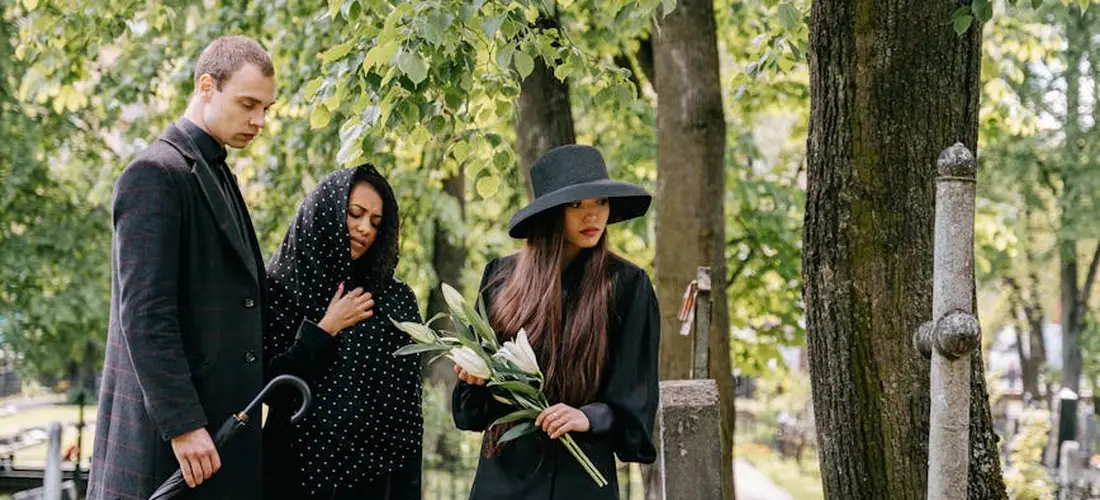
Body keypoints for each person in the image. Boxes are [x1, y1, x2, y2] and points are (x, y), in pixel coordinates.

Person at [88, 35, 277, 500]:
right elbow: (146, 315)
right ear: (206, 86)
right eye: (248, 103)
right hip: (170, 446)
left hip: (221, 437)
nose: (258, 120)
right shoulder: (154, 174)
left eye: (266, 109)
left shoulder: (218, 172)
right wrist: (183, 425)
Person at [452, 144, 661, 499]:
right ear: (550, 212)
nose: (592, 216)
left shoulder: (627, 285)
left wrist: (590, 417)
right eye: (576, 205)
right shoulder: (500, 278)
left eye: (601, 202)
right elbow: (469, 412)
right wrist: (474, 379)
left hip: (580, 481)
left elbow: (636, 401)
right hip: (504, 480)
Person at [262, 164, 423, 499]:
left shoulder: (395, 301)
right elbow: (271, 389)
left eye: (376, 223)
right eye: (355, 214)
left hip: (371, 484)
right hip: (292, 477)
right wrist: (324, 329)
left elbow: (408, 422)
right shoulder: (282, 289)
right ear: (328, 211)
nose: (365, 228)